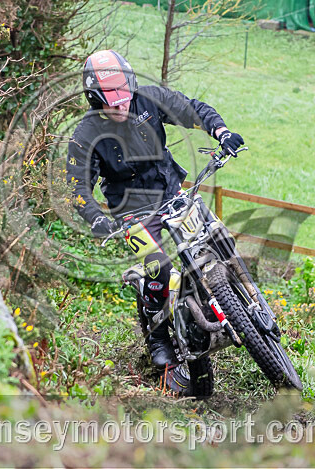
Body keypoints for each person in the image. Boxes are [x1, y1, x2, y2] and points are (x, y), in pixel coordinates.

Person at [66, 49, 244, 373]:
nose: (121, 104)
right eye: (111, 100)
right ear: (94, 99)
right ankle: (157, 338)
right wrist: (96, 219)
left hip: (170, 189)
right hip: (130, 209)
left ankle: (236, 302)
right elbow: (77, 188)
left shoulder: (149, 99)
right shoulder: (85, 136)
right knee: (159, 267)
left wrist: (223, 133)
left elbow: (191, 109)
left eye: (124, 95)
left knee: (214, 237)